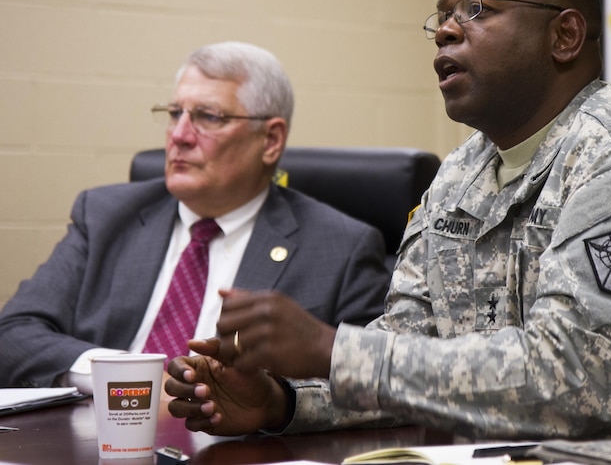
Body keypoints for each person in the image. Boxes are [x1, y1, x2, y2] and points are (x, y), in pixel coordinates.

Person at [165, 0, 611, 446]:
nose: (445, 32)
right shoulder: (460, 174)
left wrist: (332, 349)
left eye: (478, 10)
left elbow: (572, 382)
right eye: (443, 15)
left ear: (564, 37)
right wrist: (283, 400)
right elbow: (414, 350)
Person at [0, 41, 390, 395]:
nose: (179, 136)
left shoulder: (341, 248)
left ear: (270, 141)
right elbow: (12, 335)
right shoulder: (104, 216)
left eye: (208, 117)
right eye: (174, 114)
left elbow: (370, 387)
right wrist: (123, 380)